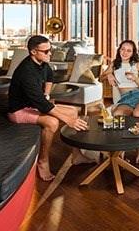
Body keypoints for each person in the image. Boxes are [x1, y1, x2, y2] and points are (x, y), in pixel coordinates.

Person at [7, 35, 91, 181]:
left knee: (73, 111)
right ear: (33, 52)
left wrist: (46, 94)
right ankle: (43, 161)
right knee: (52, 122)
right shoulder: (26, 72)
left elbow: (49, 77)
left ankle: (77, 155)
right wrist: (69, 121)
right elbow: (42, 105)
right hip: (19, 111)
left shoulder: (42, 63)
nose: (50, 53)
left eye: (50, 50)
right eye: (46, 51)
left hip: (34, 106)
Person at [100, 39, 139, 163]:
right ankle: (121, 153)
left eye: (129, 50)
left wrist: (136, 79)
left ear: (133, 52)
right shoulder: (115, 64)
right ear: (119, 50)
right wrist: (108, 75)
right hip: (125, 99)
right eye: (123, 49)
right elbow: (100, 78)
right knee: (118, 114)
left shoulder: (138, 65)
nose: (125, 52)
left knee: (137, 114)